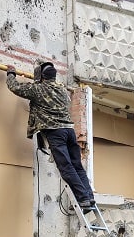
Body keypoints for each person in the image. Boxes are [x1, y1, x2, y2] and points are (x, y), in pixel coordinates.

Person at [5, 62, 96, 211]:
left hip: (56, 132)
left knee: (66, 167)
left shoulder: (38, 89)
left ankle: (83, 198)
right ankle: (89, 198)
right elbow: (65, 102)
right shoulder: (61, 89)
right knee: (77, 166)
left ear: (41, 76)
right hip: (69, 131)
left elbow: (15, 87)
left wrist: (11, 73)